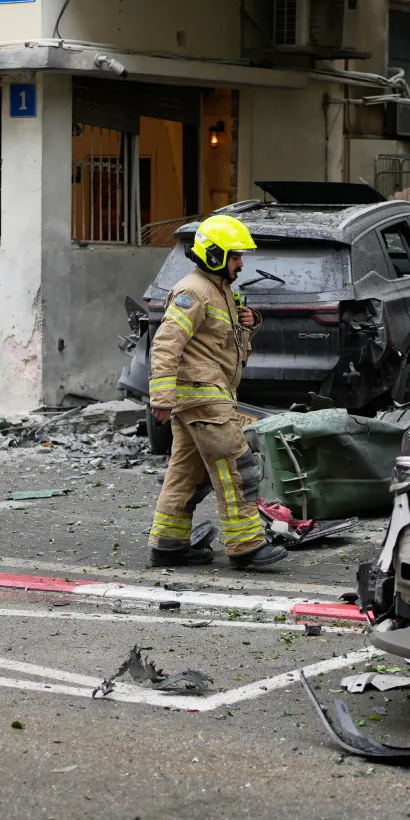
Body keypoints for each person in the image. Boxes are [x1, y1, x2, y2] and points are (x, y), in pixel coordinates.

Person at [147, 214, 288, 570]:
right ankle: (247, 546)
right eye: (235, 256)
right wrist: (160, 399)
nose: (241, 263)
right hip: (204, 397)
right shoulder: (193, 291)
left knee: (187, 475)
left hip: (203, 397)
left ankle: (168, 544)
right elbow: (165, 345)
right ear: (214, 255)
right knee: (238, 469)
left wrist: (250, 322)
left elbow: (221, 342)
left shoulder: (219, 289)